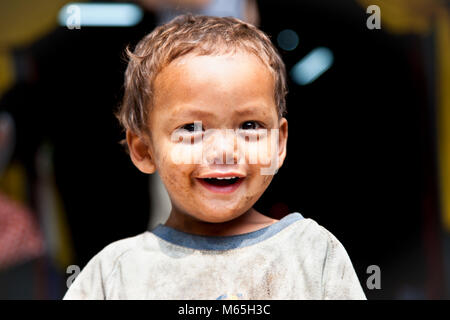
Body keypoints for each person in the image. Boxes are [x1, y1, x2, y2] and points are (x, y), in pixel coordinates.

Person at [63, 14, 366, 300]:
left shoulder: (313, 253)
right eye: (192, 129)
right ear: (144, 150)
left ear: (278, 143)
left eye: (249, 126)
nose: (224, 151)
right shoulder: (114, 274)